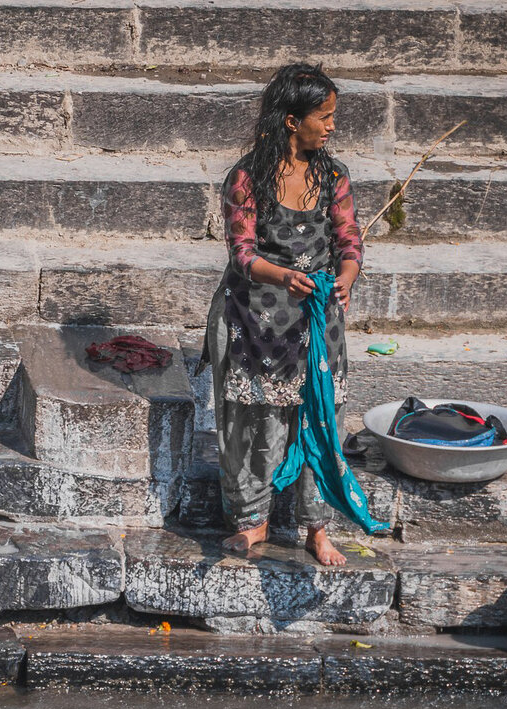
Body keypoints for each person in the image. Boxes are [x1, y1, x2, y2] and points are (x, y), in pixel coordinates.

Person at [201, 64, 364, 566]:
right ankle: (253, 521)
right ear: (292, 121)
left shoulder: (333, 176)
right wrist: (283, 276)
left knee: (319, 418)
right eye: (324, 116)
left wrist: (348, 275)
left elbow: (349, 238)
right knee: (256, 421)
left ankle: (317, 528)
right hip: (257, 318)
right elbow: (242, 254)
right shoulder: (247, 178)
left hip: (317, 318)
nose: (332, 126)